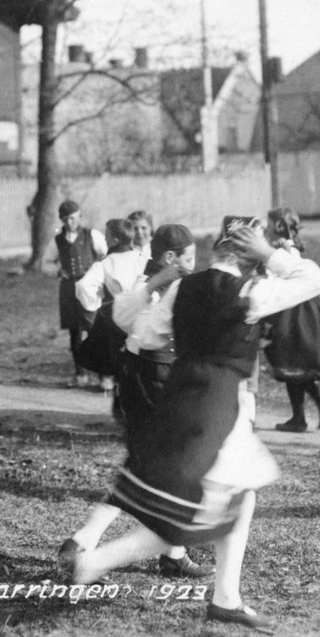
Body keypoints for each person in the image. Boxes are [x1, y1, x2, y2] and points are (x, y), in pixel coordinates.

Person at [64, 217, 320, 634]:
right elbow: (313, 279)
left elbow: (141, 330)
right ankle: (93, 561)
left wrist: (158, 284)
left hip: (184, 395)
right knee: (197, 514)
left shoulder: (182, 289)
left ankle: (226, 598)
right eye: (256, 254)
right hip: (219, 405)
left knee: (240, 495)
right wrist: (270, 255)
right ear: (248, 257)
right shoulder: (251, 292)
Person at [60, 223, 212, 580]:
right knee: (159, 467)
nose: (193, 265)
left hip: (147, 376)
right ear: (170, 257)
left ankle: (169, 552)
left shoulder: (155, 282)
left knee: (156, 466)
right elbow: (135, 326)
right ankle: (87, 540)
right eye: (189, 258)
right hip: (153, 379)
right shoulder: (157, 286)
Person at [262, 208, 320, 433]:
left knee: (291, 362)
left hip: (293, 309)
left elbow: (284, 273)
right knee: (293, 364)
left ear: (278, 226)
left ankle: (306, 413)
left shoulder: (283, 246)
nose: (266, 227)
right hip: (297, 306)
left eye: (269, 223)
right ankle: (311, 411)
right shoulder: (285, 243)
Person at [75, 218, 145, 394]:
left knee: (119, 358)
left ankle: (123, 397)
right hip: (141, 314)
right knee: (141, 357)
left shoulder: (105, 263)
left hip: (117, 316)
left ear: (114, 241)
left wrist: (96, 302)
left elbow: (83, 286)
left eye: (107, 237)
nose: (104, 240)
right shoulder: (142, 257)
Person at [53, 200, 107, 388]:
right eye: (66, 219)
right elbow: (46, 262)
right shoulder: (58, 240)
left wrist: (96, 272)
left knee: (95, 329)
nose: (70, 223)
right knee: (74, 332)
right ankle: (80, 374)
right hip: (68, 290)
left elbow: (105, 255)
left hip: (90, 288)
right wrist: (58, 271)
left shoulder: (92, 235)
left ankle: (104, 376)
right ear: (61, 220)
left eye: (73, 218)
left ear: (80, 217)